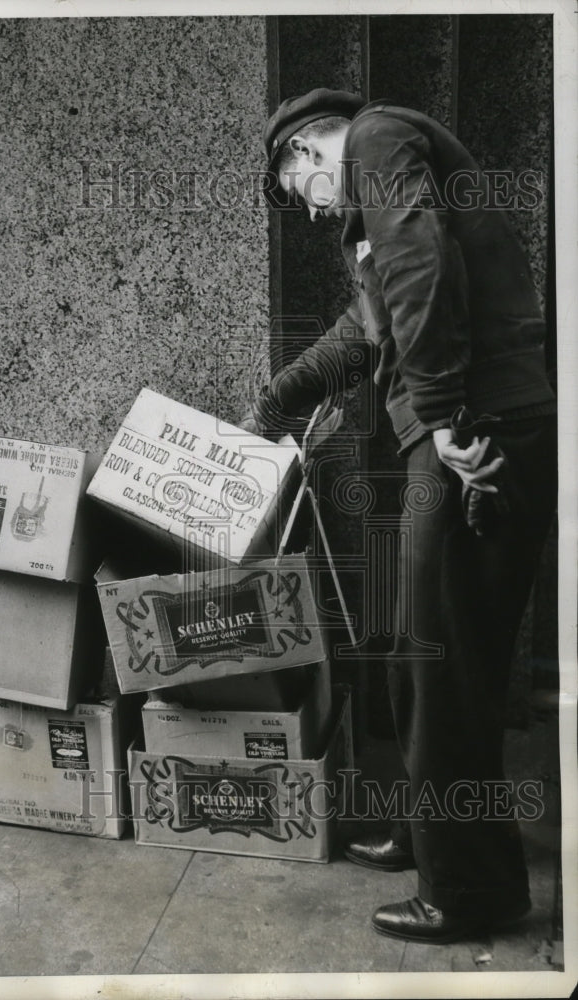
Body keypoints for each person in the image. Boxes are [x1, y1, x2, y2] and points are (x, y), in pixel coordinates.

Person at [241, 88, 557, 944]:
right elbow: (361, 331)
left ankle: (470, 893)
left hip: (471, 432)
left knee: (436, 664)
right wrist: (272, 405)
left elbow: (419, 261)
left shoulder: (377, 138)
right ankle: (433, 834)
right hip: (467, 426)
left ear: (306, 149)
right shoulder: (376, 199)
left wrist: (446, 414)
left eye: (297, 187)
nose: (309, 211)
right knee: (426, 653)